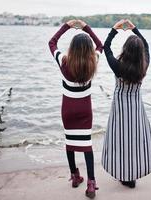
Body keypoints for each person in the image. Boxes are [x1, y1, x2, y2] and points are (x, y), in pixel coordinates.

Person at [48, 19, 102, 198]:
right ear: (88, 50)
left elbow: (52, 42)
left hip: (68, 110)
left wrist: (67, 26)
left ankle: (75, 176)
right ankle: (91, 183)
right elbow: (100, 45)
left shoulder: (64, 62)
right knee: (86, 144)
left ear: (72, 48)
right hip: (85, 110)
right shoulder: (93, 61)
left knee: (70, 142)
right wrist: (86, 26)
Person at [101, 19, 151, 188]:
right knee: (134, 140)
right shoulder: (143, 66)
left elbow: (106, 47)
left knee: (120, 140)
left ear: (125, 50)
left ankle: (124, 174)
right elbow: (146, 46)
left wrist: (114, 29)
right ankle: (132, 176)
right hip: (136, 109)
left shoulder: (118, 66)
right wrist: (134, 29)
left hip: (120, 108)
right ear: (140, 53)